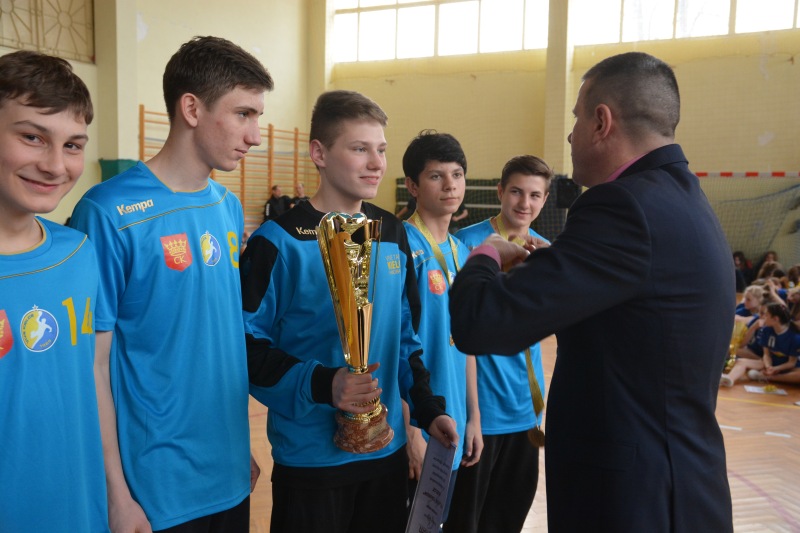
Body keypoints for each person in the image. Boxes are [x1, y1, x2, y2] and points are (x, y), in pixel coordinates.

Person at [449, 51, 734, 531]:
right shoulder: (681, 197)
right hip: (677, 484)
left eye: (576, 118)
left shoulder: (621, 206)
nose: (570, 135)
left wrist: (486, 255)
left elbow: (481, 323)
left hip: (634, 501)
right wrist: (546, 269)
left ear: (602, 122)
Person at [70, 36, 274, 531]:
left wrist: (237, 447)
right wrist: (116, 495)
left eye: (257, 117)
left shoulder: (226, 207)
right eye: (243, 114)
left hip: (228, 474)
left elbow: (216, 343)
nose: (255, 136)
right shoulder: (108, 212)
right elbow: (92, 367)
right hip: (154, 490)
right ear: (192, 109)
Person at [241, 90, 458, 533]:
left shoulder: (391, 232)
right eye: (360, 149)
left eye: (381, 149)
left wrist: (428, 409)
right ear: (319, 153)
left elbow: (406, 341)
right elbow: (243, 347)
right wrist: (324, 383)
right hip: (311, 463)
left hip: (385, 456)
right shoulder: (277, 242)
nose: (376, 163)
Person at [0, 50, 109, 533]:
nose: (54, 165)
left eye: (73, 145)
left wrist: (117, 495)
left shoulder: (79, 252)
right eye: (32, 137)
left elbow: (95, 376)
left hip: (81, 511)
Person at [446, 154, 553, 533]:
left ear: (545, 199)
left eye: (535, 195)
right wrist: (469, 415)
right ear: (500, 192)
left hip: (527, 411)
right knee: (466, 522)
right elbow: (455, 332)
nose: (525, 203)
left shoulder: (545, 251)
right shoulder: (467, 244)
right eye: (516, 192)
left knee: (508, 519)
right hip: (482, 412)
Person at [400, 130, 482, 526]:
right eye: (436, 176)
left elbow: (466, 343)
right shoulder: (400, 247)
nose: (450, 185)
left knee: (435, 524)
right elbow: (394, 345)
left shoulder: (462, 252)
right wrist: (410, 432)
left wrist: (474, 418)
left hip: (453, 422)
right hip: (418, 423)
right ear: (413, 186)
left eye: (457, 174)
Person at [721, 302, 800, 387]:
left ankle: (767, 377)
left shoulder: (795, 337)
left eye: (766, 315)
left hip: (786, 367)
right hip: (770, 363)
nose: (763, 317)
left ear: (775, 319)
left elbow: (791, 363)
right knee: (741, 361)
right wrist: (768, 366)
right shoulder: (766, 330)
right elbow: (766, 354)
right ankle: (730, 379)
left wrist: (775, 368)